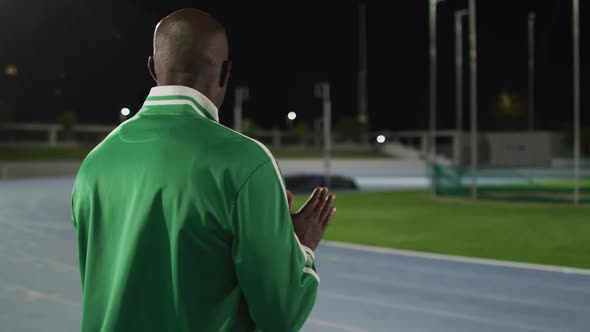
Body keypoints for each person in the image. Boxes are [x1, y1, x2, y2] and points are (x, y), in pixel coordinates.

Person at [71, 8, 336, 332]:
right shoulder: (246, 163)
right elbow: (280, 315)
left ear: (153, 68)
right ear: (225, 73)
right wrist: (299, 247)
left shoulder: (96, 162)